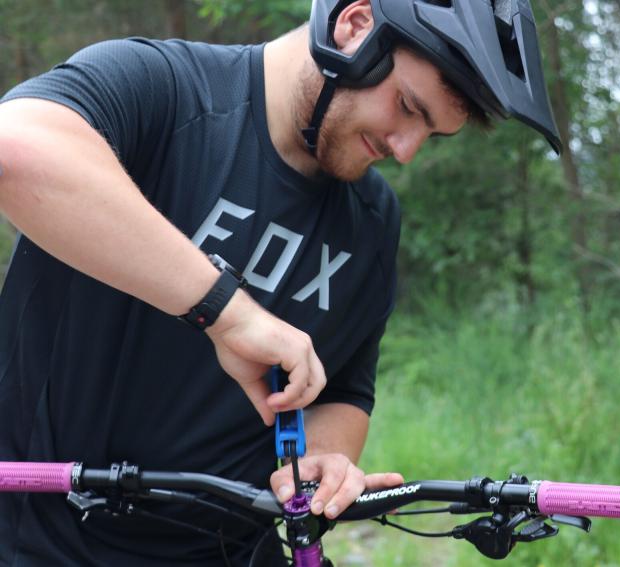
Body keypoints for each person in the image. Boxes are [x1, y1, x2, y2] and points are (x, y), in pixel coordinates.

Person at [0, 0, 561, 564]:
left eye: (431, 134)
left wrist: (324, 460)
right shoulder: (164, 87)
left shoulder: (372, 220)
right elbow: (16, 151)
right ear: (354, 27)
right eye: (407, 107)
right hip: (37, 537)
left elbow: (342, 390)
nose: (406, 150)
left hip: (235, 552)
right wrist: (228, 314)